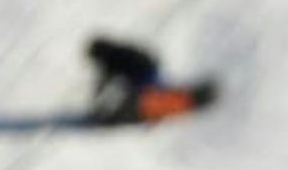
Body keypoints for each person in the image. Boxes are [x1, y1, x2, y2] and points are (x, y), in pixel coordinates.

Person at [86, 37, 218, 126]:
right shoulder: (114, 53)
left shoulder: (111, 58)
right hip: (143, 73)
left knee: (156, 97)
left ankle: (196, 97)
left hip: (144, 73)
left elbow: (106, 80)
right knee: (154, 95)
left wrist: (99, 104)